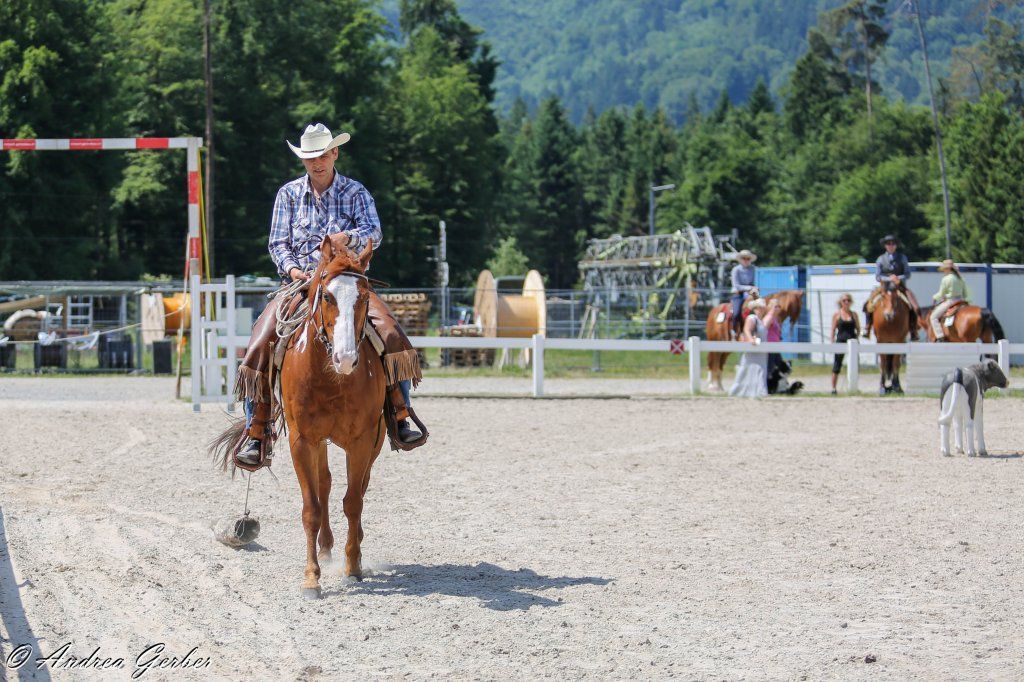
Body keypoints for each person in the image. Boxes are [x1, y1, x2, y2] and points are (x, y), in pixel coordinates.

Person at [235, 123, 425, 467]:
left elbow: (374, 233)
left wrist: (343, 239)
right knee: (258, 344)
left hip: (346, 281)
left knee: (391, 333)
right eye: (309, 157)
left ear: (334, 153)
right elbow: (278, 243)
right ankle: (256, 429)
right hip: (301, 282)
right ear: (303, 160)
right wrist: (294, 271)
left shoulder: (355, 192)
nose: (316, 163)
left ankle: (400, 412)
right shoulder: (289, 194)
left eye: (321, 155)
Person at [863, 234, 920, 341]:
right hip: (884, 287)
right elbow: (878, 276)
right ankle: (867, 327)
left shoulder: (902, 257)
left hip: (899, 287)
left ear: (896, 245)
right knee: (868, 304)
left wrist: (898, 278)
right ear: (885, 246)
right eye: (888, 244)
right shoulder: (880, 259)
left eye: (893, 244)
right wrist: (889, 279)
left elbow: (908, 274)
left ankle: (913, 330)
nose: (891, 246)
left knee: (913, 306)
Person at [729, 297, 776, 398]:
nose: (761, 309)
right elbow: (747, 330)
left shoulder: (760, 321)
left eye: (762, 308)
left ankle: (760, 391)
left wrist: (773, 308)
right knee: (746, 369)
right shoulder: (752, 318)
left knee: (761, 370)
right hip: (753, 348)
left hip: (761, 351)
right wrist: (751, 340)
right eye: (759, 308)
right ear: (755, 308)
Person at [930, 259, 970, 342]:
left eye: (944, 269)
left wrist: (934, 297)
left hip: (951, 301)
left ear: (948, 269)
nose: (943, 271)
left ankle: (940, 336)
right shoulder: (960, 278)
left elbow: (941, 294)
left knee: (933, 317)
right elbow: (965, 294)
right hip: (961, 301)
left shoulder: (946, 279)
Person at [829, 293, 860, 394]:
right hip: (840, 341)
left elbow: (858, 329)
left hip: (852, 342)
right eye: (844, 300)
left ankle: (853, 387)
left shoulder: (854, 315)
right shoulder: (837, 315)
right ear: (841, 302)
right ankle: (833, 388)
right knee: (837, 365)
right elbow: (833, 329)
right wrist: (832, 341)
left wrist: (857, 339)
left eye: (848, 300)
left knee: (854, 365)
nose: (846, 302)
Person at [729, 250, 759, 335]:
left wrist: (753, 289)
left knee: (761, 308)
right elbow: (736, 285)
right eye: (744, 258)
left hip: (751, 294)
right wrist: (750, 287)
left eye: (748, 258)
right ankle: (734, 331)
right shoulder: (736, 270)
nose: (746, 260)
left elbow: (755, 282)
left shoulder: (753, 269)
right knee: (736, 312)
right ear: (740, 260)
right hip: (738, 294)